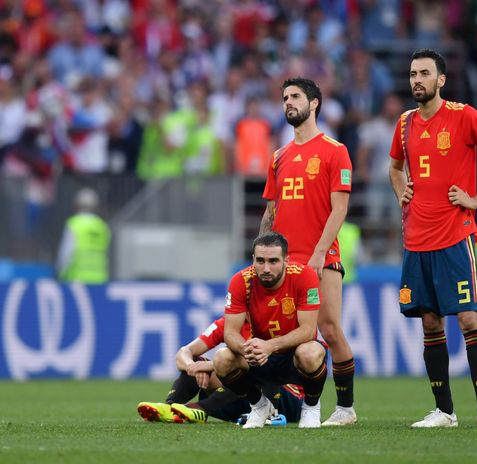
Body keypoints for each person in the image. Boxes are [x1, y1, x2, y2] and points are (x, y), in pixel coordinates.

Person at [388, 49, 477, 428]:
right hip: (416, 240)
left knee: (467, 319)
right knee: (430, 323)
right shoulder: (403, 124)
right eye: (413, 73)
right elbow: (394, 168)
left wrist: (476, 199)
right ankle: (444, 411)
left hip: (454, 236)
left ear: (440, 80)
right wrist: (401, 191)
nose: (417, 79)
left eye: (424, 73)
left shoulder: (464, 116)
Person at [260, 77, 358, 426]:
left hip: (321, 258)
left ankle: (345, 408)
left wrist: (318, 254)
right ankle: (274, 406)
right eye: (285, 97)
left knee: (329, 330)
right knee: (278, 339)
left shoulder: (335, 150)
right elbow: (270, 210)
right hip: (284, 263)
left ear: (314, 103)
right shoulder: (279, 156)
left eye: (296, 96)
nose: (288, 102)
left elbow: (340, 209)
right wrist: (259, 255)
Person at [212, 232, 328, 429]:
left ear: (286, 260)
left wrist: (270, 345)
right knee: (221, 359)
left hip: (294, 358)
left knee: (310, 352)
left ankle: (311, 406)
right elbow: (230, 332)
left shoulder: (304, 276)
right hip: (260, 358)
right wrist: (247, 348)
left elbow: (308, 331)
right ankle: (259, 406)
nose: (266, 268)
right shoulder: (240, 281)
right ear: (253, 260)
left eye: (273, 261)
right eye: (260, 261)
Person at [136, 316, 304, 425]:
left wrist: (210, 366)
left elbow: (263, 362)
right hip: (246, 400)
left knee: (243, 371)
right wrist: (193, 367)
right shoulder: (227, 324)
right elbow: (183, 352)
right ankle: (171, 408)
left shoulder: (275, 321)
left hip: (286, 398)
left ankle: (201, 408)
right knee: (198, 362)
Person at [56, 188, 111, 284]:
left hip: (77, 279)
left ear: (77, 205)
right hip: (100, 279)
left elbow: (66, 252)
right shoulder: (102, 226)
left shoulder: (74, 224)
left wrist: (60, 272)